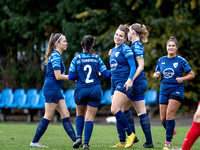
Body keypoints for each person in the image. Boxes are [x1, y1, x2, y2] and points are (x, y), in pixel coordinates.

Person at [30, 33, 78, 148]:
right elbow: (58, 76)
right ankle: (34, 141)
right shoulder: (56, 56)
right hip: (52, 88)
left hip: (55, 89)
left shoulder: (56, 55)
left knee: (65, 113)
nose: (66, 43)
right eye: (64, 41)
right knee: (48, 116)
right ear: (57, 44)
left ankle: (76, 141)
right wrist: (73, 77)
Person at [112, 23, 154, 148]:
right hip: (138, 82)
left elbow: (140, 66)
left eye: (128, 31)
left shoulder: (137, 46)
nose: (127, 33)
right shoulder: (133, 46)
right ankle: (146, 141)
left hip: (137, 82)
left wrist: (131, 79)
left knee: (123, 109)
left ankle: (133, 137)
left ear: (133, 33)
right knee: (131, 110)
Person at [68, 35, 110, 149]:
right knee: (90, 117)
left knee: (80, 114)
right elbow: (106, 74)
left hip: (81, 89)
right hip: (95, 89)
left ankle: (79, 138)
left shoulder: (76, 59)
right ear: (92, 45)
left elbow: (71, 76)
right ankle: (86, 143)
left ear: (82, 44)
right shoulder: (97, 58)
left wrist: (78, 77)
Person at [153, 37, 195, 148]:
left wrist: (182, 79)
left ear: (176, 48)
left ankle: (167, 142)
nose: (171, 47)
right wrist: (156, 75)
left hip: (177, 89)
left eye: (173, 46)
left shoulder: (181, 60)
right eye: (169, 46)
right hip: (164, 89)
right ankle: (172, 130)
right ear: (166, 47)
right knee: (162, 118)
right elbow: (156, 72)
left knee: (169, 115)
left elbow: (192, 74)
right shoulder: (161, 60)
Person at [110, 24, 137, 148]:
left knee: (114, 109)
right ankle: (121, 141)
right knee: (118, 112)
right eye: (116, 35)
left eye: (121, 36)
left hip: (123, 82)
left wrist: (130, 80)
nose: (117, 37)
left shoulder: (125, 49)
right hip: (114, 83)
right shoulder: (113, 50)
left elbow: (133, 66)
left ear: (125, 38)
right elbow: (115, 69)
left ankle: (131, 135)